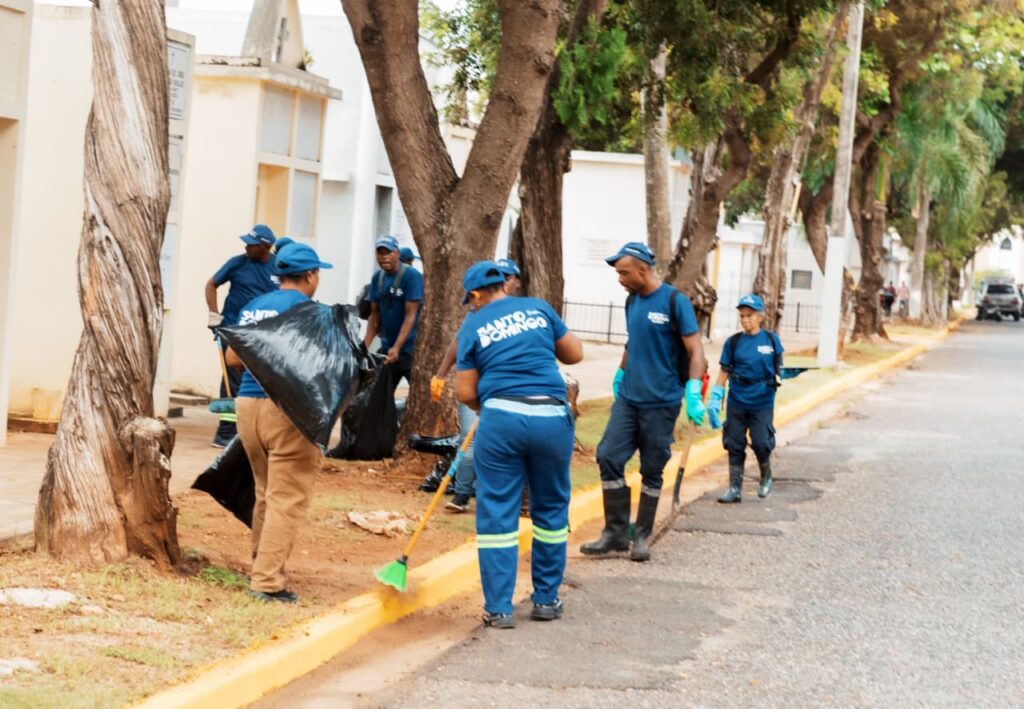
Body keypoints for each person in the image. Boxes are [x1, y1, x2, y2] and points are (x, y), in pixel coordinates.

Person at [455, 260, 583, 628]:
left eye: (471, 300)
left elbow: (465, 390)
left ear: (477, 294)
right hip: (551, 419)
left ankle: (499, 608)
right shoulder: (538, 308)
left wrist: (492, 408)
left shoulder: (474, 324)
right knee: (551, 510)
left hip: (501, 422)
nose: (472, 305)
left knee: (497, 511)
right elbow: (574, 354)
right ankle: (546, 600)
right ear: (504, 285)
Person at [580, 242, 707, 562]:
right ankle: (615, 533)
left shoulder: (675, 301)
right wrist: (620, 374)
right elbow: (632, 341)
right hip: (629, 399)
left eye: (624, 272)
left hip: (661, 402)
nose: (620, 278)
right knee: (609, 456)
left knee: (652, 468)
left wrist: (693, 391)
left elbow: (696, 351)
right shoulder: (631, 302)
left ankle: (642, 536)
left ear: (643, 269)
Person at [225, 241, 333, 603]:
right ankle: (267, 582)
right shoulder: (311, 311)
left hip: (247, 407)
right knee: (286, 499)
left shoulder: (254, 306)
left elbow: (232, 357)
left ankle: (261, 564)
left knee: (265, 493)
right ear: (310, 276)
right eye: (318, 273)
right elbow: (323, 367)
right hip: (286, 410)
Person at [431, 258, 524, 513]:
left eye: (509, 276)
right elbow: (458, 343)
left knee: (505, 445)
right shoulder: (476, 311)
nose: (505, 281)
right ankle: (461, 495)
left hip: (508, 391)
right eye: (501, 276)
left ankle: (500, 497)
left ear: (516, 281)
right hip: (477, 387)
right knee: (469, 441)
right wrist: (440, 374)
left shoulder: (523, 312)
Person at [205, 224, 279, 447]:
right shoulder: (237, 263)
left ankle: (252, 430)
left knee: (258, 381)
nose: (247, 247)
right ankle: (226, 432)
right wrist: (214, 315)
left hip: (262, 335)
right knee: (231, 380)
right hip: (233, 330)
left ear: (266, 247)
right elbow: (211, 284)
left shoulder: (278, 268)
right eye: (246, 243)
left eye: (252, 244)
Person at [706, 294, 783, 503]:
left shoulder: (771, 340)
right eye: (742, 316)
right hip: (737, 400)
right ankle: (734, 488)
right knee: (734, 443)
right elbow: (724, 371)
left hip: (762, 401)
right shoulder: (733, 342)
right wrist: (715, 396)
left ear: (760, 316)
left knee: (760, 442)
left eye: (749, 315)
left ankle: (765, 475)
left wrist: (785, 374)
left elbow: (779, 369)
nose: (745, 319)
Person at [363, 234, 423, 391]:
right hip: (387, 350)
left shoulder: (411, 276)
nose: (384, 257)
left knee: (418, 393)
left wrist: (397, 347)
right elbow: (374, 315)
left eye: (388, 252)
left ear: (397, 253)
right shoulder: (378, 278)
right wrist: (364, 347)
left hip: (410, 350)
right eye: (380, 253)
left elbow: (411, 315)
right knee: (379, 396)